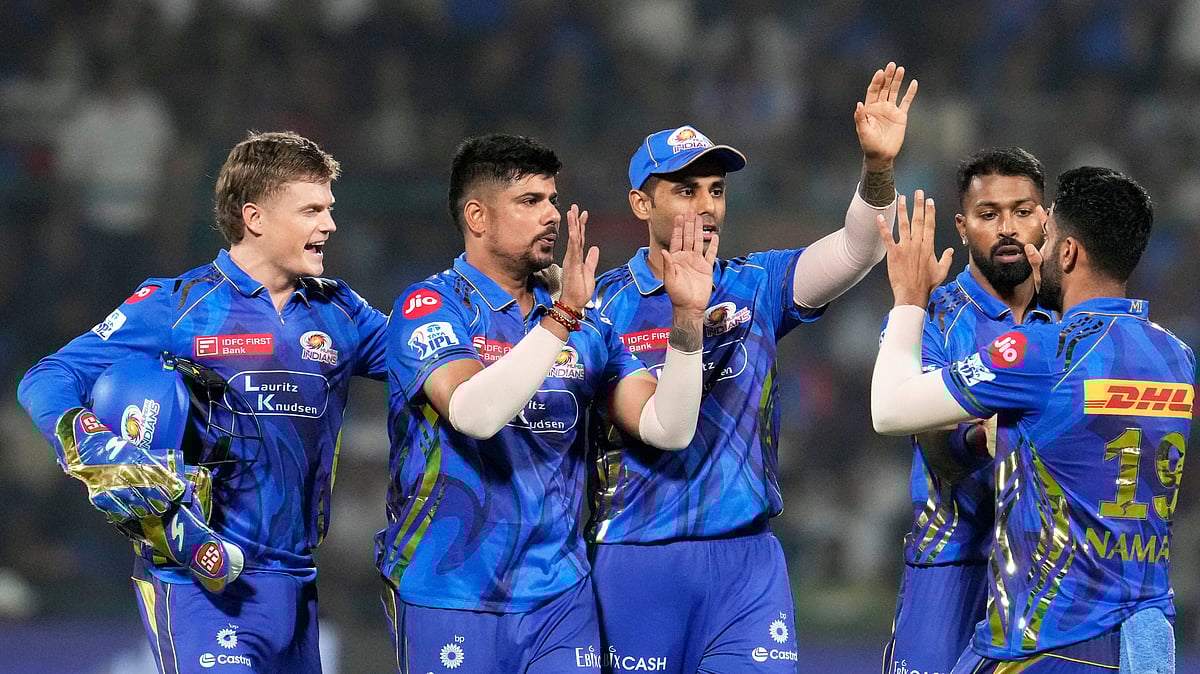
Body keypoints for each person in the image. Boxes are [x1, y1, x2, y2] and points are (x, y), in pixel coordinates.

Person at [18, 130, 389, 673]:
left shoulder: (342, 312)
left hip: (300, 584)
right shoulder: (177, 305)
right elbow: (46, 377)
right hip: (198, 581)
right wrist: (92, 441)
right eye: (311, 210)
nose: (329, 225)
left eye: (328, 209)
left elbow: (433, 366)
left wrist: (549, 320)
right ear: (255, 217)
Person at [585, 62, 914, 672]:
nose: (706, 205)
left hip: (747, 565)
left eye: (716, 189)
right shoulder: (599, 307)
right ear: (640, 202)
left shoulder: (755, 283)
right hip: (638, 556)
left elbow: (857, 249)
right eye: (685, 190)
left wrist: (876, 168)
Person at [376, 133, 714, 673]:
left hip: (561, 597)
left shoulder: (586, 324)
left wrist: (688, 319)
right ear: (477, 216)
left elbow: (668, 428)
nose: (552, 215)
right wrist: (561, 320)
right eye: (531, 202)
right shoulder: (430, 306)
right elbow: (474, 413)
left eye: (553, 199)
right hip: (450, 592)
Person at [872, 168, 1192, 672]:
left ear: (1067, 253)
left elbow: (890, 409)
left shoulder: (1040, 351)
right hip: (1140, 641)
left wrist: (909, 302)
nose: (1033, 251)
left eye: (1047, 236)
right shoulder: (1177, 359)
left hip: (1046, 639)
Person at [883, 147, 1053, 674]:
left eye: (1022, 212)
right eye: (988, 214)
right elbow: (940, 449)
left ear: (1046, 220)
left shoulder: (1074, 320)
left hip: (1050, 573)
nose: (1008, 228)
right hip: (953, 563)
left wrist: (991, 422)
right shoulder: (932, 316)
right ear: (962, 226)